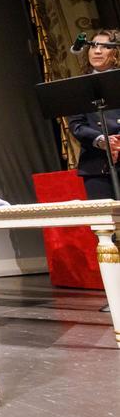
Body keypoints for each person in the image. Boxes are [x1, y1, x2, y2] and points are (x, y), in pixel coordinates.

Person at [68, 28, 120, 313]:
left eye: (104, 47)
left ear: (115, 52)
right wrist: (101, 141)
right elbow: (76, 125)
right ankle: (115, 294)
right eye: (93, 47)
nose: (97, 51)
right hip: (95, 165)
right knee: (106, 233)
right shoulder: (79, 87)